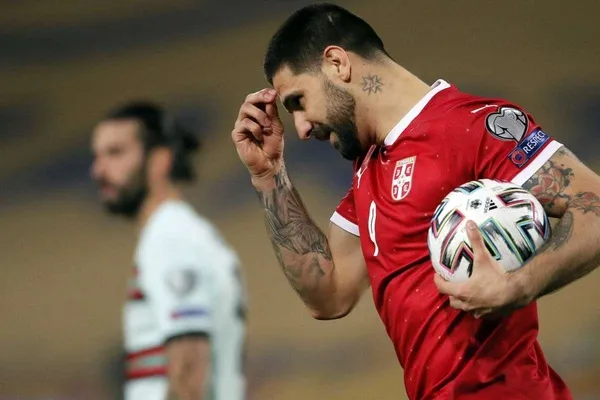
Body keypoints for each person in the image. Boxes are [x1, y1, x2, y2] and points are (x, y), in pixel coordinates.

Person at [231, 3, 600, 399]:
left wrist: (519, 284)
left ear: (337, 63)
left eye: (298, 102)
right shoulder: (368, 170)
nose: (301, 128)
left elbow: (594, 205)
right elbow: (328, 296)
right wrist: (269, 177)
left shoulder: (472, 125)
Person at [92, 101, 246, 400]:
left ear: (160, 160)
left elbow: (189, 364)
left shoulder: (171, 237)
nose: (98, 170)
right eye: (97, 156)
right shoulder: (182, 232)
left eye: (115, 153)